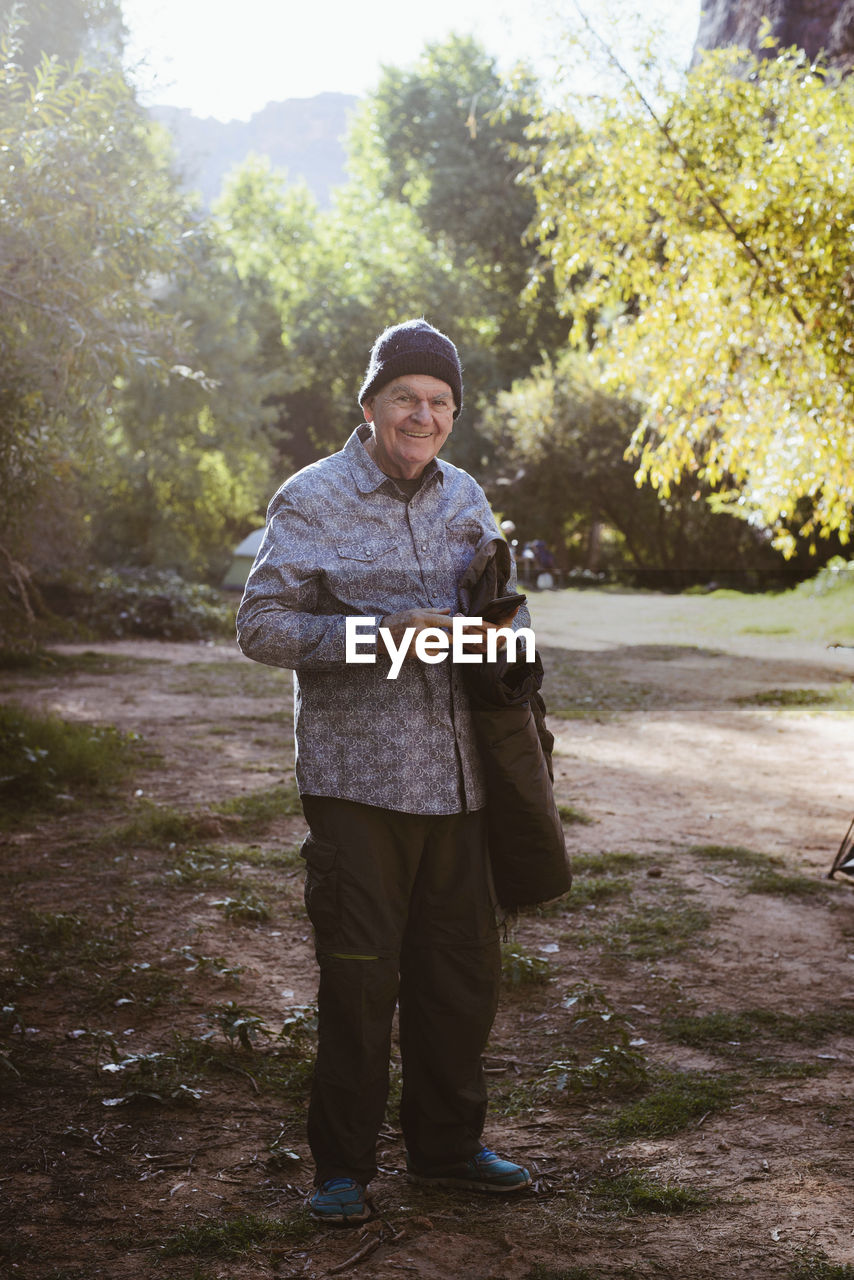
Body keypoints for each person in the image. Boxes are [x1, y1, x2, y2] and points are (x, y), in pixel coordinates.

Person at [236, 318, 532, 1224]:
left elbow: (498, 614)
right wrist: (380, 635)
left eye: (440, 401)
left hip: (461, 780)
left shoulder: (467, 496)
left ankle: (447, 1148)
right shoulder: (312, 496)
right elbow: (260, 628)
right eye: (406, 396)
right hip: (358, 783)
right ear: (370, 406)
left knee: (460, 973)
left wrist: (499, 639)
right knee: (360, 976)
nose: (424, 414)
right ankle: (343, 1170)